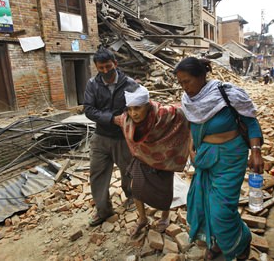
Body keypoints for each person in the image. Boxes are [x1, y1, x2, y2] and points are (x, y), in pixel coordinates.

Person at [174, 57, 264, 261]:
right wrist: (190, 149)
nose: (184, 87)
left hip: (230, 159)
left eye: (187, 81)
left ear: (201, 76)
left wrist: (256, 152)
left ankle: (242, 242)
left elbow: (251, 122)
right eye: (180, 83)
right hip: (204, 159)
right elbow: (191, 127)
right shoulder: (188, 100)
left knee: (221, 211)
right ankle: (216, 243)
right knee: (203, 204)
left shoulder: (226, 93)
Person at [113, 85, 190, 237]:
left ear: (147, 106)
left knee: (164, 192)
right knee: (136, 187)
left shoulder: (164, 114)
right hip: (142, 157)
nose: (133, 113)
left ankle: (165, 215)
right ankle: (142, 218)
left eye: (137, 108)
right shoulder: (127, 118)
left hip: (164, 159)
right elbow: (118, 120)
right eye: (130, 109)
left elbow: (183, 113)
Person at [84, 47, 138, 227]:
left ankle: (131, 197)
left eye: (108, 66)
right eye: (101, 68)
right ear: (96, 67)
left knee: (128, 171)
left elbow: (141, 106)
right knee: (97, 174)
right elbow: (89, 110)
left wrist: (130, 117)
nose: (105, 71)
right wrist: (111, 119)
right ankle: (103, 211)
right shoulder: (92, 84)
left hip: (123, 138)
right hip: (100, 137)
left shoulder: (129, 83)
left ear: (115, 63)